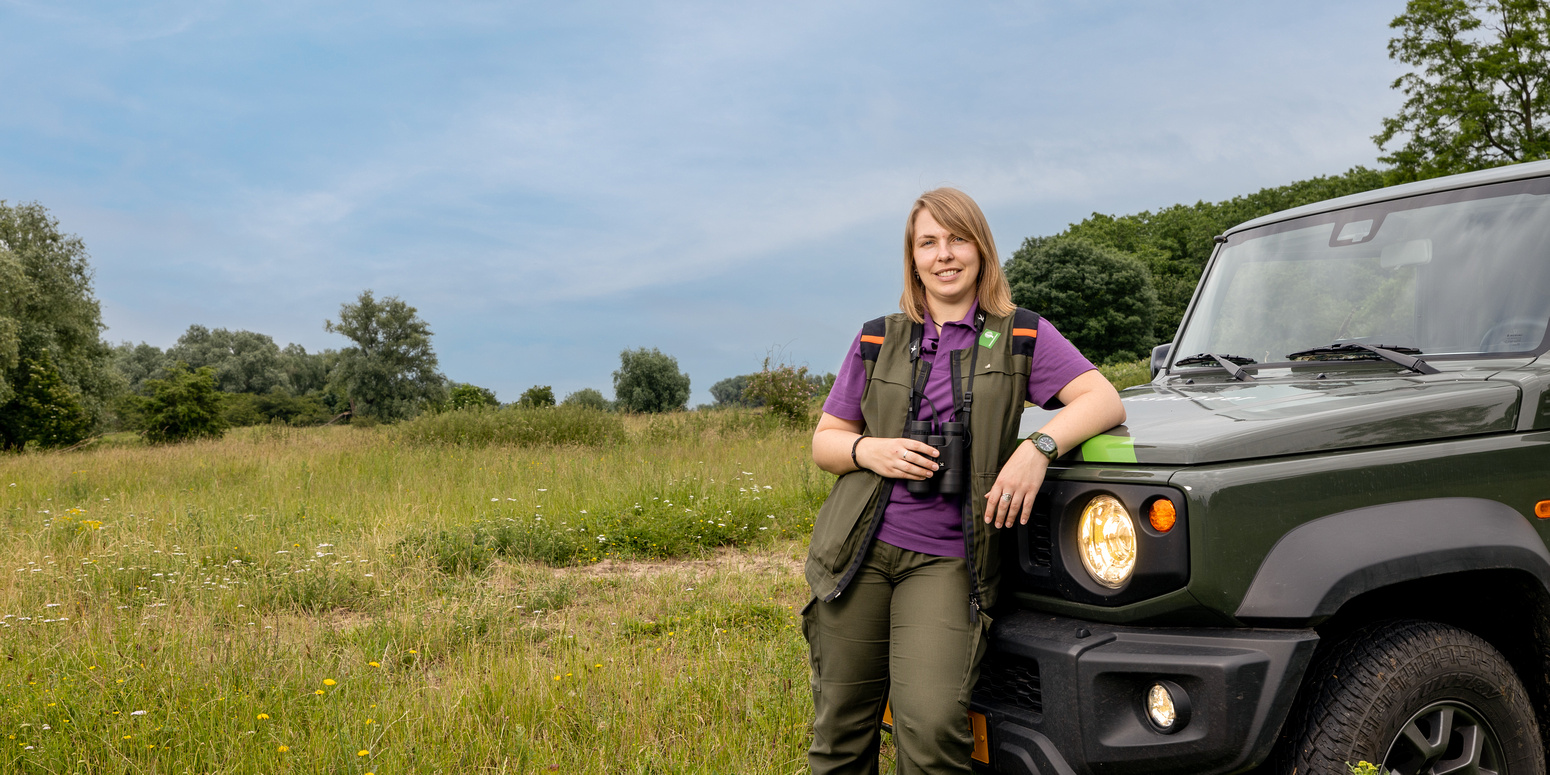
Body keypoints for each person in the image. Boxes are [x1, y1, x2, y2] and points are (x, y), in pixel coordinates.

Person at [803, 187, 1126, 774]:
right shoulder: (879, 338)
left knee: (931, 731)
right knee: (840, 731)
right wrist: (870, 450)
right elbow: (826, 441)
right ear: (913, 256)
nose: (944, 254)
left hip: (947, 560)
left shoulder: (1019, 334)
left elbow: (1103, 400)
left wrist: (1038, 446)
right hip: (858, 554)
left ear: (981, 249)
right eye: (929, 242)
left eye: (958, 238)